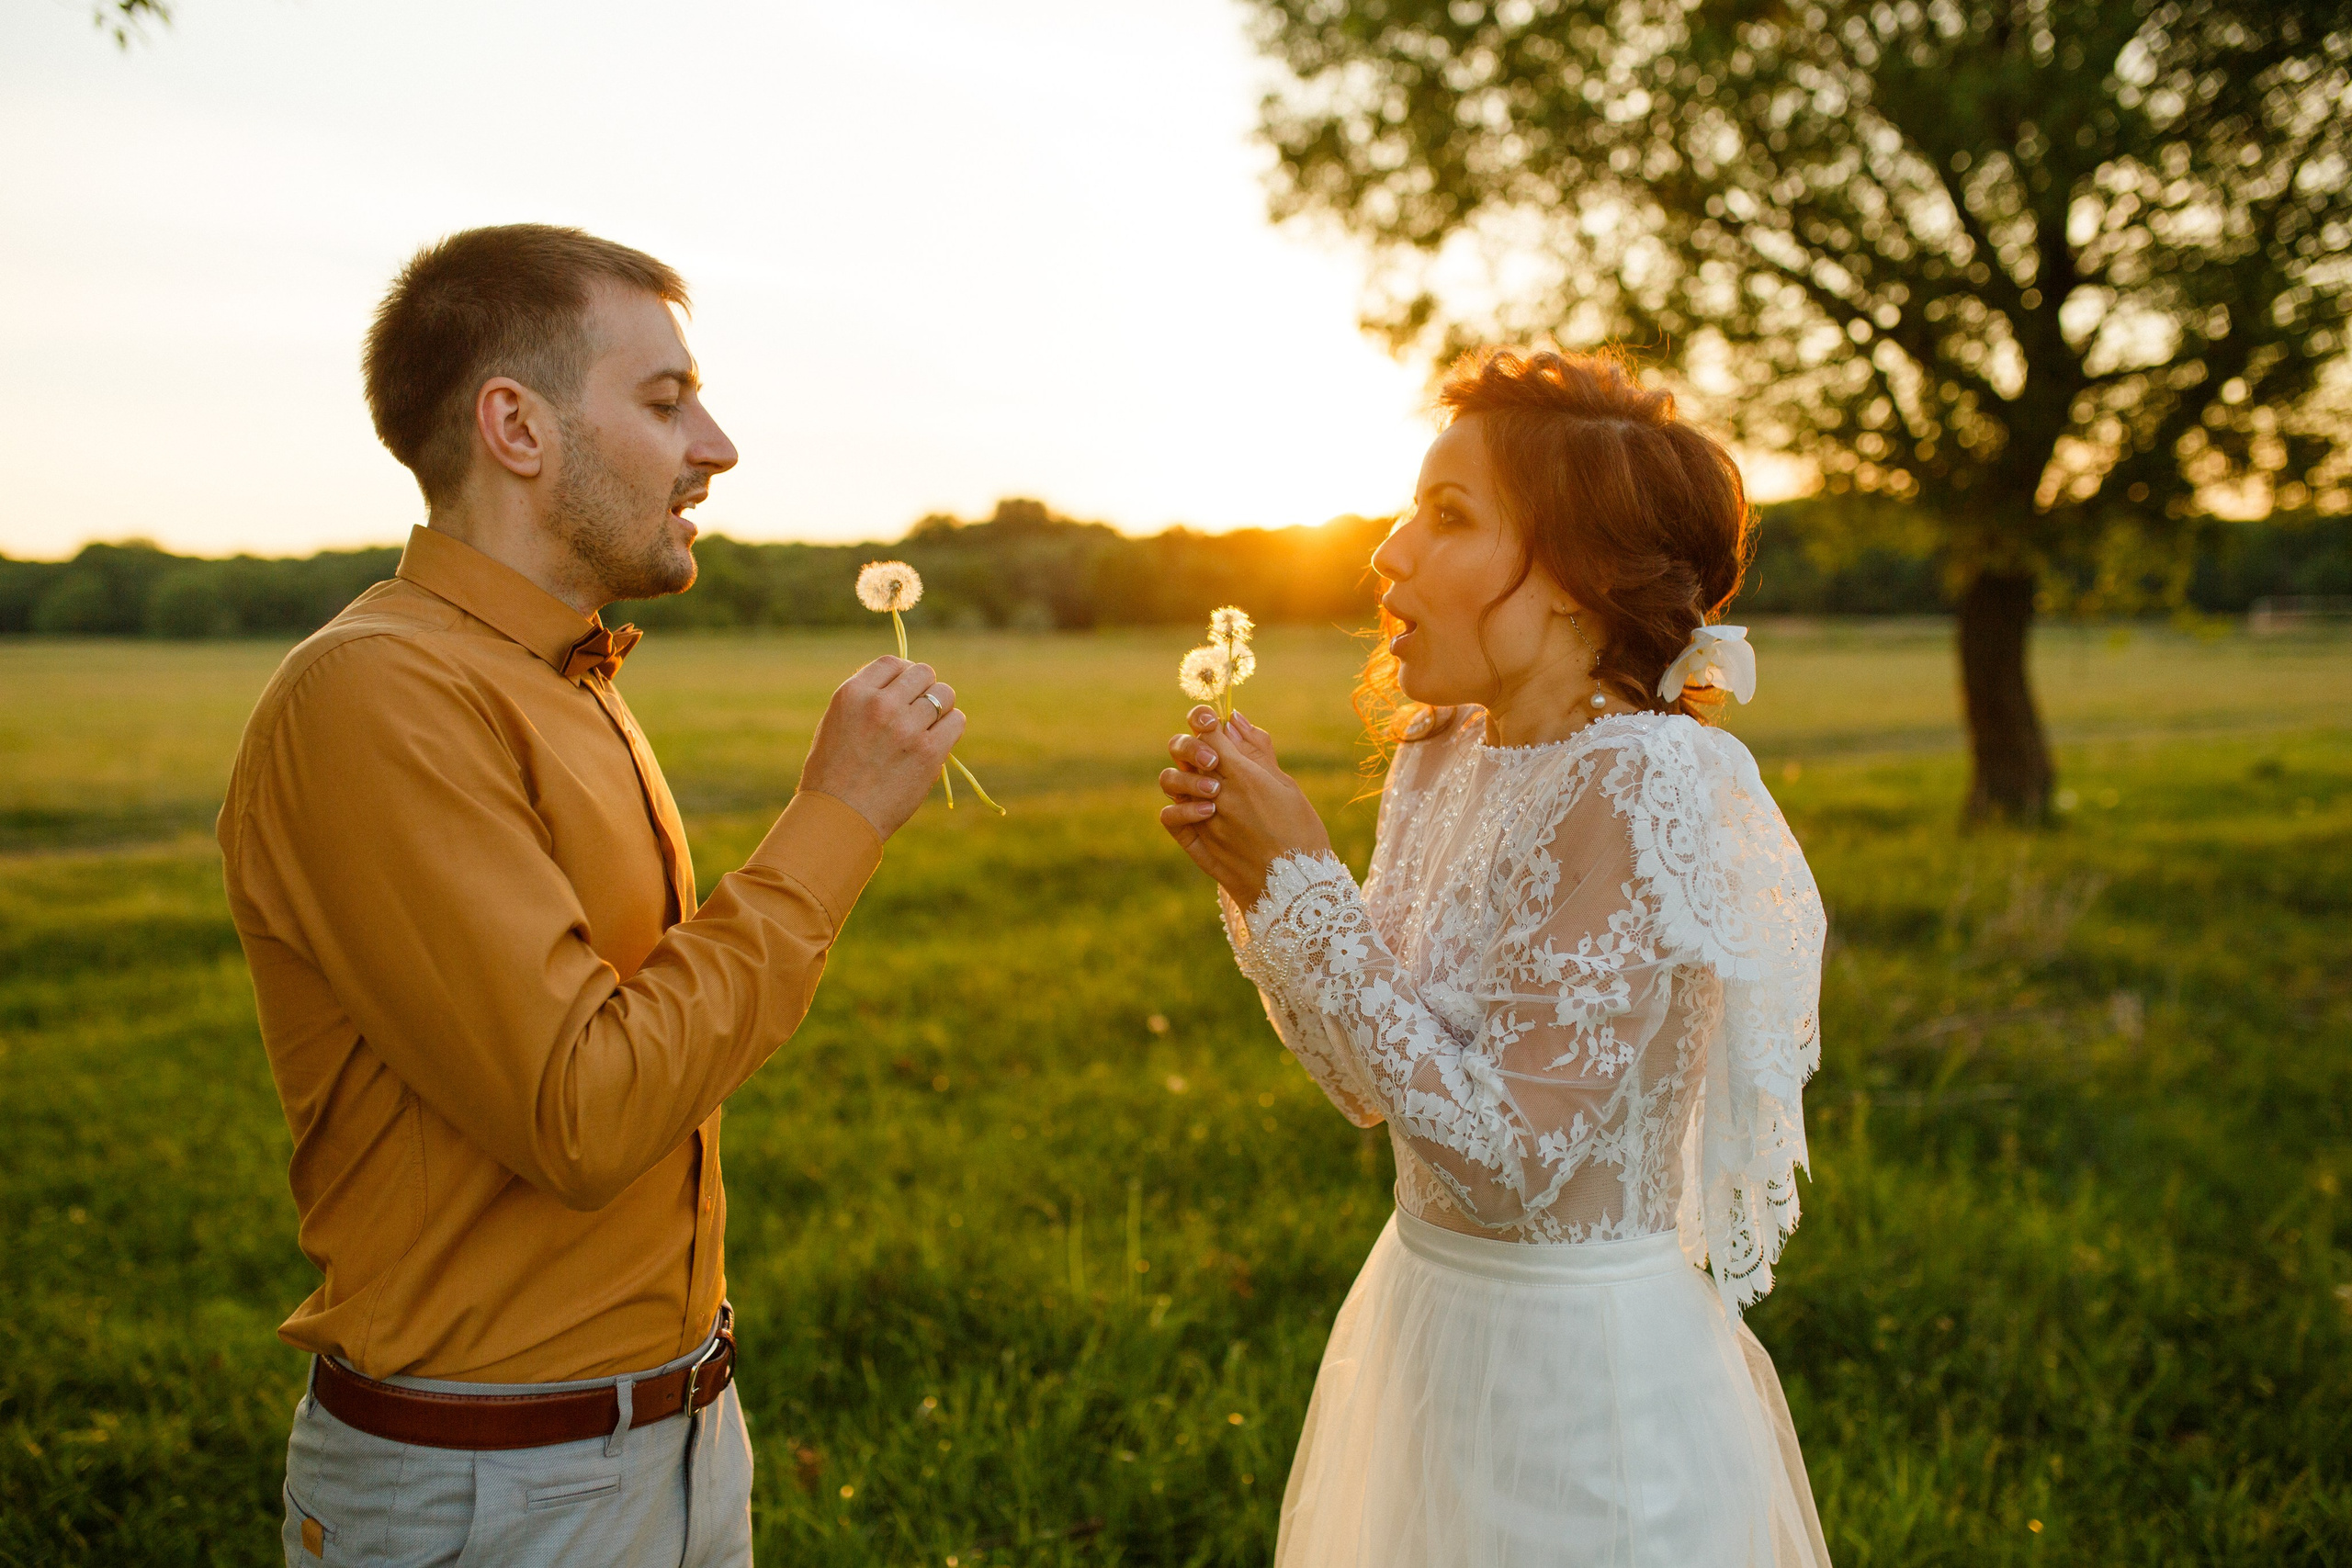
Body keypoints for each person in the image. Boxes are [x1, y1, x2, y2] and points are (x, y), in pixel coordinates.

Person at [219, 223, 964, 1567]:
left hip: (673, 1444)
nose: (717, 446)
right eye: (665, 400)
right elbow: (585, 1109)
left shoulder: (568, 680)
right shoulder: (378, 696)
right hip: (491, 1493)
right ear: (516, 426)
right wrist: (839, 819)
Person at [1158, 348, 1833, 1566]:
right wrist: (1261, 884)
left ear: (1578, 577)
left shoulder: (1648, 780)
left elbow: (1510, 1162)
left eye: (1449, 515)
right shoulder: (1439, 754)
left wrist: (1307, 889)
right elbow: (1372, 1088)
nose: (1389, 553)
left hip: (1578, 1386)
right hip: (1426, 1326)